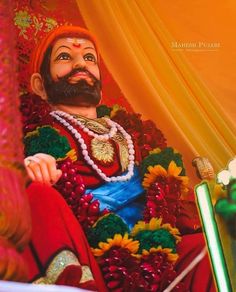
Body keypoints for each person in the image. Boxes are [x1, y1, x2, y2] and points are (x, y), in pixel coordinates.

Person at [21, 25, 216, 291]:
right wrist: (28, 168)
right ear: (40, 86)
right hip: (89, 255)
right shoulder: (35, 137)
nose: (81, 64)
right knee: (35, 194)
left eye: (89, 58)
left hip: (154, 257)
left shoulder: (135, 136)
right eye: (65, 57)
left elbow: (168, 209)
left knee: (212, 249)